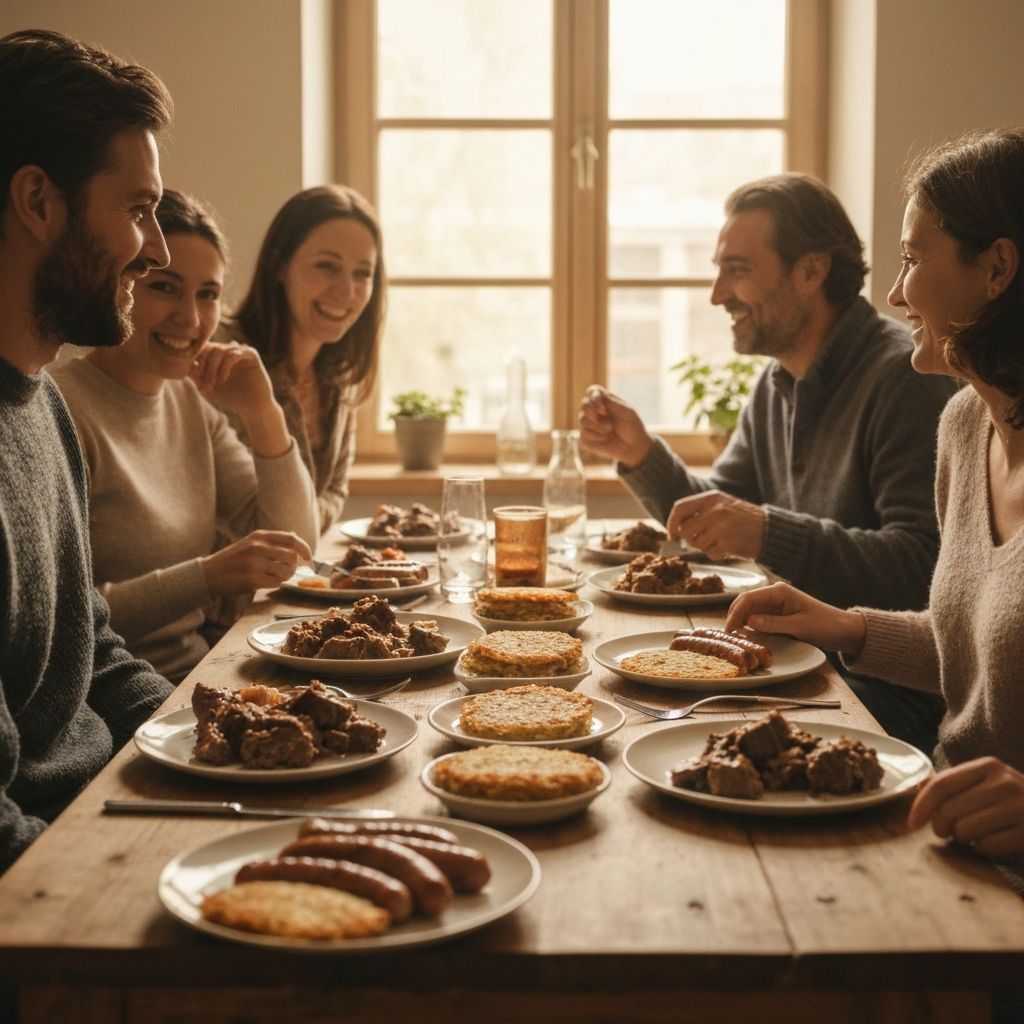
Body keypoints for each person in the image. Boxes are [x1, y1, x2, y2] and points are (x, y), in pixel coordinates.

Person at [725, 129, 1024, 888]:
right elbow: (978, 656)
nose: (894, 295)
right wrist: (845, 626)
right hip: (941, 827)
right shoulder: (965, 426)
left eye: (913, 260)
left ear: (997, 269)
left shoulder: (897, 383)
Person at [579, 174, 958, 750]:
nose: (717, 294)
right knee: (627, 712)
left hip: (884, 697)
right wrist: (641, 455)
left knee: (652, 735)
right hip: (800, 665)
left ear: (811, 271)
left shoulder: (904, 377)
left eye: (738, 269)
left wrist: (767, 532)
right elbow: (717, 517)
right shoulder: (776, 382)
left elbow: (923, 568)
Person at [0, 29, 175, 871]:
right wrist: (122, 884)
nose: (157, 249)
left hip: (103, 815)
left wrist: (214, 731)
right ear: (38, 201)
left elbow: (92, 651)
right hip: (51, 880)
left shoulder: (42, 405)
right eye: (138, 210)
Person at [51, 190, 318, 682]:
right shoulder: (62, 408)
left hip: (198, 676)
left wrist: (263, 412)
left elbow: (298, 543)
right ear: (122, 283)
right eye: (165, 288)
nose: (191, 319)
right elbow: (59, 624)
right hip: (116, 695)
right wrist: (208, 577)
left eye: (208, 294)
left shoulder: (190, 400)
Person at [220, 185, 385, 531]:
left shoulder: (338, 378)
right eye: (327, 266)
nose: (347, 292)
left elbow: (335, 491)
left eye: (362, 273)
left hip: (298, 560)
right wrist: (301, 527)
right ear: (279, 265)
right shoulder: (225, 357)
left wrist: (303, 526)